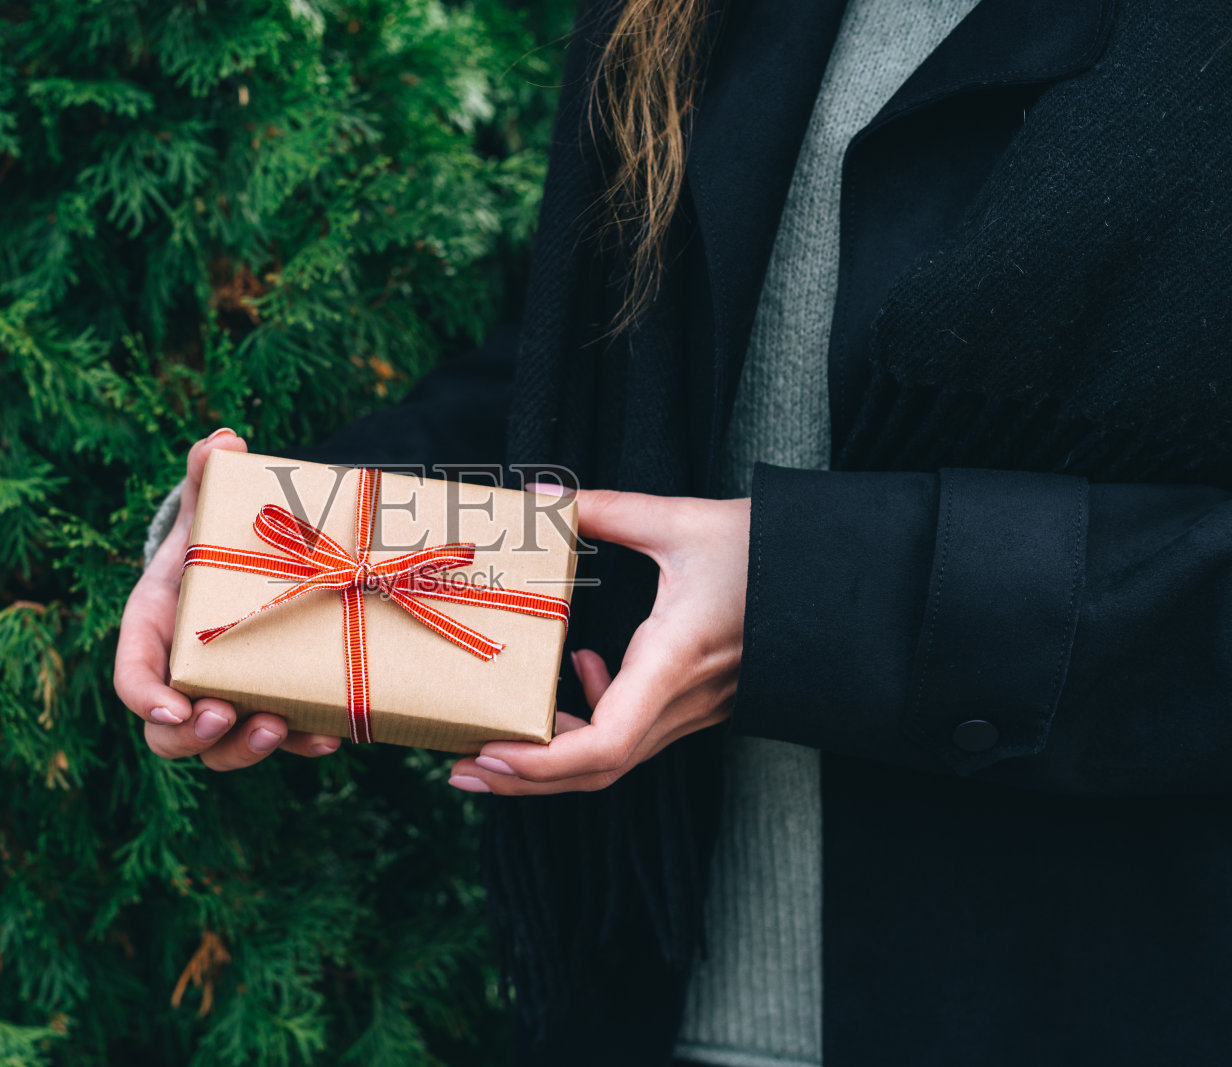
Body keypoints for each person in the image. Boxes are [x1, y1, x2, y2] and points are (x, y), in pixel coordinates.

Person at [114, 0, 1232, 1063]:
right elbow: (590, 382)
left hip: (1099, 1000)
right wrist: (256, 558)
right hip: (652, 997)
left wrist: (806, 598)